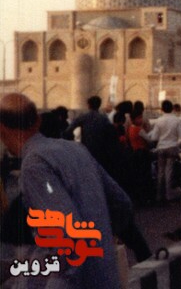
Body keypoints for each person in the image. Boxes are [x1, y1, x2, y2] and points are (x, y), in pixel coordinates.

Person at [0, 93, 146, 287]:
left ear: (2, 128)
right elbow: (122, 204)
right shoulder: (75, 149)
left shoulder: (35, 165)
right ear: (37, 121)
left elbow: (68, 239)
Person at [143, 100, 181, 202]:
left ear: (162, 109)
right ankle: (169, 195)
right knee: (169, 171)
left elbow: (154, 137)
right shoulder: (177, 120)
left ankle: (159, 195)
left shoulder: (159, 121)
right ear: (172, 108)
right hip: (172, 147)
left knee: (160, 172)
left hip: (161, 148)